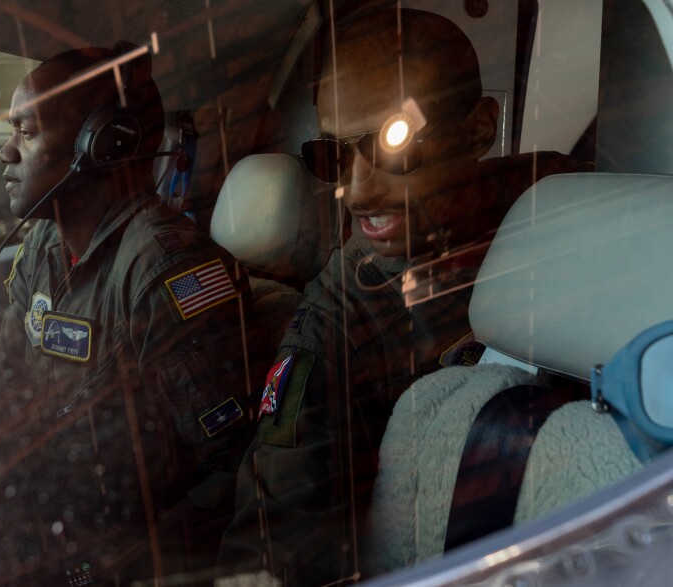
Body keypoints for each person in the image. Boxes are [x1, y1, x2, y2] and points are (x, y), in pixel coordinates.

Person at [219, 7, 590, 584]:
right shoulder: (336, 322)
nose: (358, 189)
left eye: (395, 143)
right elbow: (275, 536)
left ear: (478, 129)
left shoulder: (567, 199)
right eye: (334, 156)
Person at [0, 43, 254, 585]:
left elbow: (235, 464)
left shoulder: (164, 271)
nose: (6, 153)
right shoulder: (42, 244)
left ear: (103, 147)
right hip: (53, 516)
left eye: (28, 131)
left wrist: (128, 564)